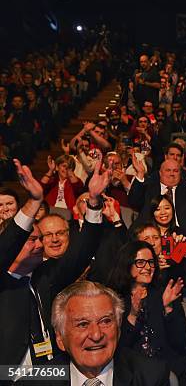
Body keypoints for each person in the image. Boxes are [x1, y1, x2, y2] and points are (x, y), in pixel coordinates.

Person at [0, 159, 108, 371]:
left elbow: (83, 251)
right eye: (33, 240)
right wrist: (34, 200)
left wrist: (94, 201)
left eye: (41, 238)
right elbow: (8, 243)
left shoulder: (44, 277)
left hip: (51, 372)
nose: (42, 244)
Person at [103, 241, 186, 385]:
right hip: (134, 376)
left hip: (170, 372)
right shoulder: (114, 300)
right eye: (140, 262)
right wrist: (132, 315)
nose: (148, 267)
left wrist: (168, 308)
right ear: (127, 265)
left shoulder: (165, 294)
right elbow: (117, 348)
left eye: (151, 262)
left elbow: (181, 341)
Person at [51, 280, 170, 386]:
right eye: (83, 324)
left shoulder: (151, 375)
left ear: (118, 329)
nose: (96, 335)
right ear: (60, 338)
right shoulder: (37, 379)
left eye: (105, 321)